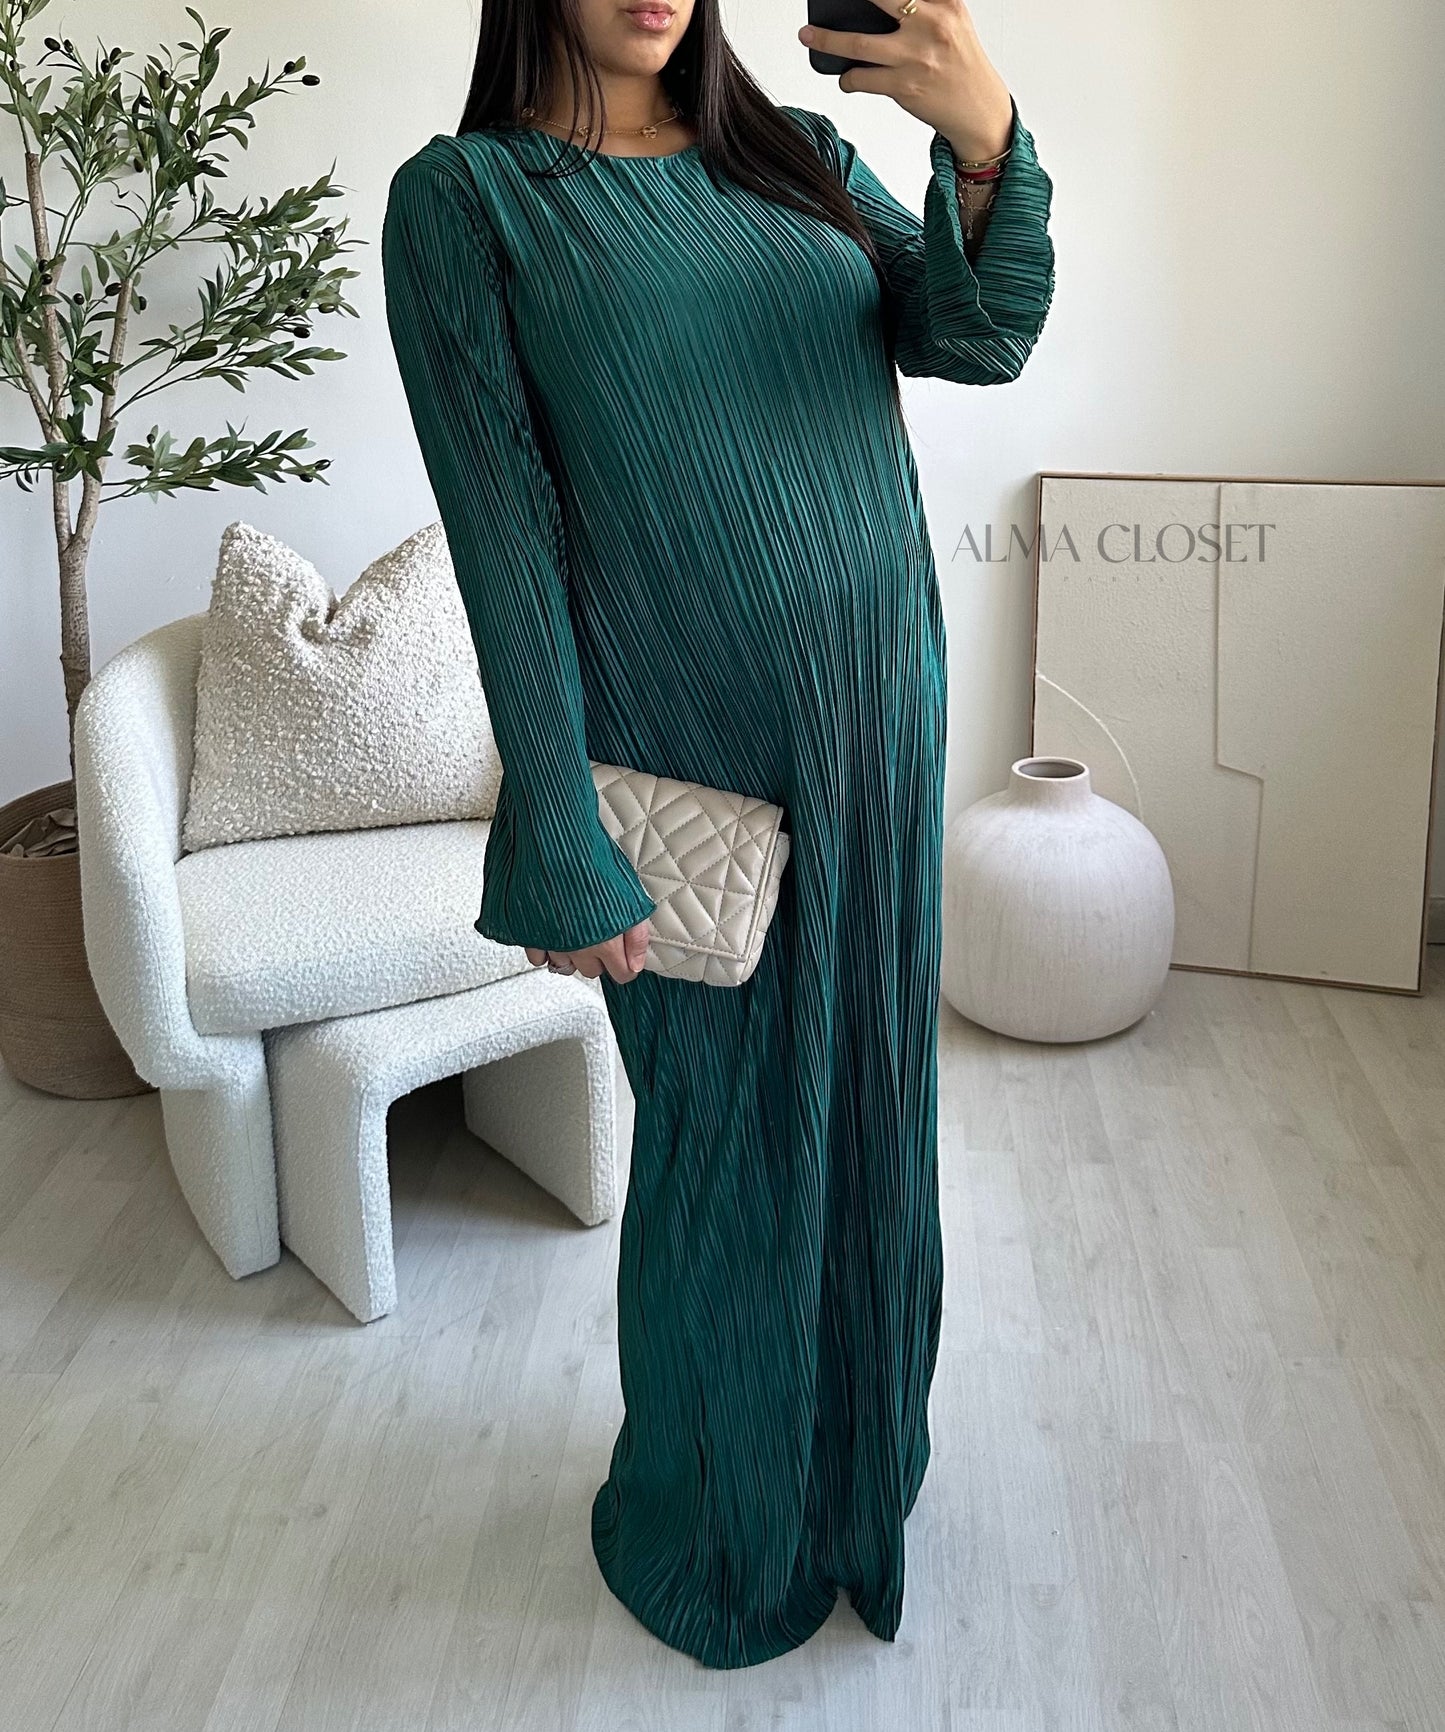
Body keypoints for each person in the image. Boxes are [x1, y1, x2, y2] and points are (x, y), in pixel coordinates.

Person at [381, 0, 1055, 1671]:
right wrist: (555, 826)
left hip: (879, 725)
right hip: (690, 765)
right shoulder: (469, 202)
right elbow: (504, 538)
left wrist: (981, 140)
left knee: (873, 1115)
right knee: (725, 1153)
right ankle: (720, 1528)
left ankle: (849, 1486)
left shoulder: (795, 154)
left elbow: (975, 338)